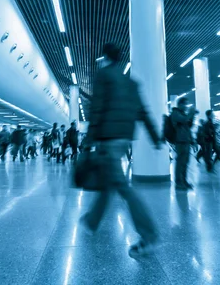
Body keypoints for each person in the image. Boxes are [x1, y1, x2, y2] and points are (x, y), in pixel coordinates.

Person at [80, 42, 162, 258]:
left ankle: (149, 235)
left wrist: (88, 139)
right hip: (124, 139)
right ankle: (91, 221)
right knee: (108, 183)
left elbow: (97, 109)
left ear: (105, 58)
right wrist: (155, 137)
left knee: (122, 187)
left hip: (108, 139)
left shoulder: (103, 76)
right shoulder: (131, 83)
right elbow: (143, 111)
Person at [171, 98, 197, 190]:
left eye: (187, 104)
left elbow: (189, 126)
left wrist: (192, 116)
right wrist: (191, 113)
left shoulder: (183, 114)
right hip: (180, 142)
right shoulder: (175, 113)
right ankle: (178, 183)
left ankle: (184, 181)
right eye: (185, 104)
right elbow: (184, 120)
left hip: (186, 141)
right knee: (180, 163)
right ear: (180, 105)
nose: (186, 106)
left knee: (185, 163)